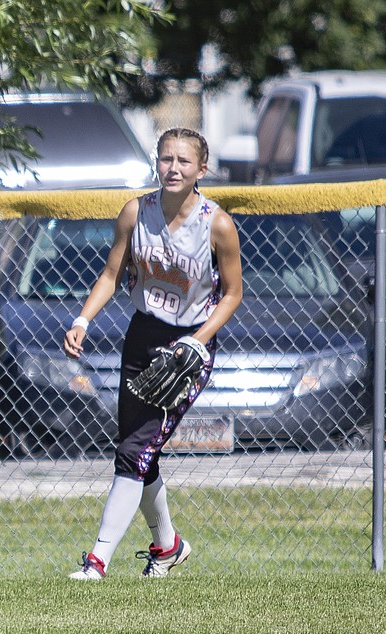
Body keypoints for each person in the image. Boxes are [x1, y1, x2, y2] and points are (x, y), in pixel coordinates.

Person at [63, 127, 243, 579]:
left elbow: (233, 295)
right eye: (166, 159)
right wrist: (83, 319)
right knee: (140, 454)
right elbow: (110, 273)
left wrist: (197, 341)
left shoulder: (216, 223)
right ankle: (168, 547)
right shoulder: (135, 211)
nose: (173, 168)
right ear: (155, 163)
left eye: (184, 161)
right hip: (143, 335)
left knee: (134, 450)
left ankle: (97, 560)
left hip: (188, 347)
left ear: (202, 169)